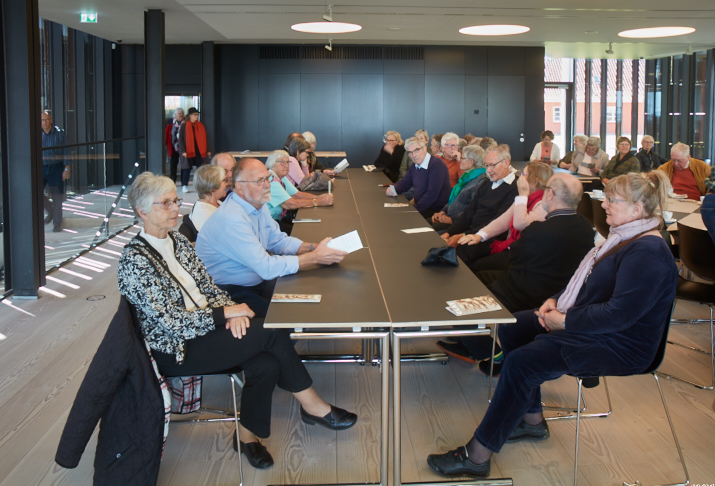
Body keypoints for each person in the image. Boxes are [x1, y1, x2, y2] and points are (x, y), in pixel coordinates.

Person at [427, 171, 678, 478]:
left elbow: (619, 316)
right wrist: (556, 300)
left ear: (637, 209)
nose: (604, 204)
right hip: (593, 325)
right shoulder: (624, 238)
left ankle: (477, 456)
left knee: (522, 362)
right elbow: (587, 284)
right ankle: (532, 420)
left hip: (620, 344)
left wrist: (566, 321)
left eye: (612, 200)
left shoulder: (648, 252)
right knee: (514, 326)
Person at [118, 172, 357, 469]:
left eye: (175, 201)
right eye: (165, 203)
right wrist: (224, 314)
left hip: (206, 328)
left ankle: (246, 438)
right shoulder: (135, 259)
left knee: (266, 364)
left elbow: (209, 287)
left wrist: (233, 310)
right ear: (142, 211)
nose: (175, 208)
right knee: (271, 331)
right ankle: (312, 405)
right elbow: (170, 323)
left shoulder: (177, 241)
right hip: (174, 348)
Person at [439, 173, 594, 372]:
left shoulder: (539, 230)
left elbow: (514, 260)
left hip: (519, 293)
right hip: (555, 295)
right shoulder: (586, 228)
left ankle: (493, 354)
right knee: (472, 278)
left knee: (451, 298)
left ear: (550, 194)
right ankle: (472, 343)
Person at [195, 159, 347, 318]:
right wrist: (315, 257)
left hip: (255, 280)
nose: (267, 185)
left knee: (306, 296)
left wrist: (316, 248)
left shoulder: (257, 205)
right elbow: (266, 267)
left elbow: (278, 241)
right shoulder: (232, 218)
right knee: (283, 320)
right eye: (259, 181)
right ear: (240, 186)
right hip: (227, 290)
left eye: (267, 178)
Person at [455, 162, 552, 272]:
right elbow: (503, 221)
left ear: (534, 181)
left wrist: (522, 196)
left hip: (523, 255)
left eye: (523, 174)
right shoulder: (525, 199)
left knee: (476, 267)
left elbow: (520, 224)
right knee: (466, 252)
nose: (520, 177)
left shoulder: (542, 205)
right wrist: (479, 235)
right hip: (511, 247)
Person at [439, 145, 518, 249]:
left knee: (448, 252)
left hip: (489, 238)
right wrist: (449, 232)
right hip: (471, 233)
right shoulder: (487, 183)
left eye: (492, 165)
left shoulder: (516, 188)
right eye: (487, 165)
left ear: (506, 163)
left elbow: (498, 222)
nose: (488, 170)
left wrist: (463, 235)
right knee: (435, 239)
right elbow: (468, 212)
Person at [265, 150, 334, 233]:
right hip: (269, 224)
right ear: (272, 164)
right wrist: (319, 201)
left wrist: (319, 197)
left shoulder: (281, 177)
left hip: (278, 219)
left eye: (288, 162)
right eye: (282, 163)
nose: (287, 166)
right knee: (300, 232)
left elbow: (297, 194)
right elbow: (290, 204)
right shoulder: (271, 181)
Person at [386, 137, 451, 220]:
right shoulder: (415, 165)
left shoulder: (436, 165)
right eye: (410, 152)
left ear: (425, 148)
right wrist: (393, 189)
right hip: (422, 207)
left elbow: (431, 195)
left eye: (417, 150)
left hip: (434, 210)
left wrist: (414, 210)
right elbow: (405, 183)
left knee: (398, 219)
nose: (414, 155)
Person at [431, 146, 487, 232]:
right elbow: (454, 200)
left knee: (426, 232)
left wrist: (451, 219)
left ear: (471, 162)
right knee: (422, 225)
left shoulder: (480, 181)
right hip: (448, 217)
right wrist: (442, 212)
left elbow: (473, 210)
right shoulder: (466, 177)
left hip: (458, 223)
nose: (460, 160)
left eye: (462, 158)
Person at [41, 111, 70, 232]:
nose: (44, 122)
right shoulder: (36, 133)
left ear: (51, 120)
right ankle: (51, 211)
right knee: (35, 192)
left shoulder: (59, 133)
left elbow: (66, 151)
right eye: (42, 120)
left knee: (57, 196)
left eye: (47, 120)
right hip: (41, 168)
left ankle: (57, 224)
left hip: (56, 168)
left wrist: (67, 168)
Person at [178, 107, 211, 193]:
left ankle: (202, 185)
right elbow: (180, 140)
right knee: (187, 168)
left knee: (201, 169)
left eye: (197, 114)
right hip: (188, 151)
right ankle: (184, 186)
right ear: (190, 115)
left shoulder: (200, 125)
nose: (196, 116)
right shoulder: (184, 126)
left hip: (199, 151)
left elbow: (205, 138)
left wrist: (208, 149)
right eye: (195, 114)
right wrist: (183, 151)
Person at [189, 165, 225, 232]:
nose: (226, 184)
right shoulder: (204, 213)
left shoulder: (217, 203)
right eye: (224, 180)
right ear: (214, 187)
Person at [168, 108, 184, 183]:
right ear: (175, 114)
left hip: (183, 147)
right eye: (179, 113)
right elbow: (167, 134)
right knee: (173, 163)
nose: (181, 115)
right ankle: (173, 179)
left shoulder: (186, 123)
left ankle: (183, 180)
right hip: (174, 146)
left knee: (184, 164)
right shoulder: (171, 123)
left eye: (182, 113)